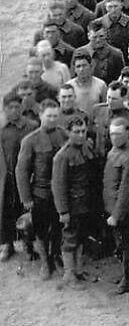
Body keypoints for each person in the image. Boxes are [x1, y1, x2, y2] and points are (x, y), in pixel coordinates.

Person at [15, 100, 68, 280]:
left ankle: (56, 256)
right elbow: (21, 171)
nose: (52, 119)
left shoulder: (64, 136)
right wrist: (26, 198)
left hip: (60, 194)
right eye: (49, 116)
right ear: (40, 115)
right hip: (40, 194)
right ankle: (45, 261)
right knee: (40, 230)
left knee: (59, 228)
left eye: (55, 116)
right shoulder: (30, 140)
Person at [51, 116, 97, 290]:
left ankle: (78, 270)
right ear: (68, 133)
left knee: (81, 237)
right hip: (72, 207)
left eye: (83, 131)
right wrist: (63, 212)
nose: (81, 135)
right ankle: (69, 275)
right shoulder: (62, 157)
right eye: (76, 132)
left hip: (85, 205)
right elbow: (58, 186)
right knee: (70, 240)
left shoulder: (87, 148)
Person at [102, 117, 129, 294]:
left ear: (127, 133)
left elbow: (126, 190)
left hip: (123, 211)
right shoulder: (114, 150)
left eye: (118, 134)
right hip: (112, 206)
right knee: (120, 245)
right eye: (112, 134)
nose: (114, 137)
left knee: (126, 246)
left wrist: (116, 215)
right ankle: (127, 274)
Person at [0, 93, 38, 262]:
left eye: (17, 107)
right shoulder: (2, 128)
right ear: (4, 109)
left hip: (26, 177)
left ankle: (28, 245)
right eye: (10, 108)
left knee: (26, 212)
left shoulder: (31, 126)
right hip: (7, 177)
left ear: (22, 108)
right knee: (6, 211)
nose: (14, 111)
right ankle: (8, 244)